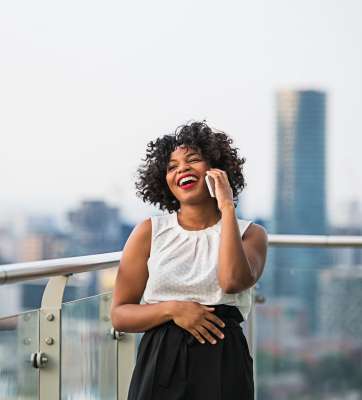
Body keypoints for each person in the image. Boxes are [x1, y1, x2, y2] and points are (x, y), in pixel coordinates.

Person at [111, 121, 268, 400]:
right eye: (172, 166)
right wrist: (173, 309)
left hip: (223, 357)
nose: (181, 168)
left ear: (218, 169)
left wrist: (227, 206)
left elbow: (232, 282)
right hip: (160, 358)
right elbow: (120, 315)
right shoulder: (149, 232)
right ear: (165, 180)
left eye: (193, 160)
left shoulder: (251, 234)